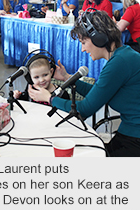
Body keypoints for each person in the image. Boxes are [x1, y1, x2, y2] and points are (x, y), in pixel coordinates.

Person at [28, 10, 140, 157]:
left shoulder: (119, 63)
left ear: (99, 38)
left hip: (135, 138)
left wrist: (49, 99)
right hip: (130, 132)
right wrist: (67, 78)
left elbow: (83, 110)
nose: (82, 49)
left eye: (83, 42)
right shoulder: (122, 55)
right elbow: (98, 92)